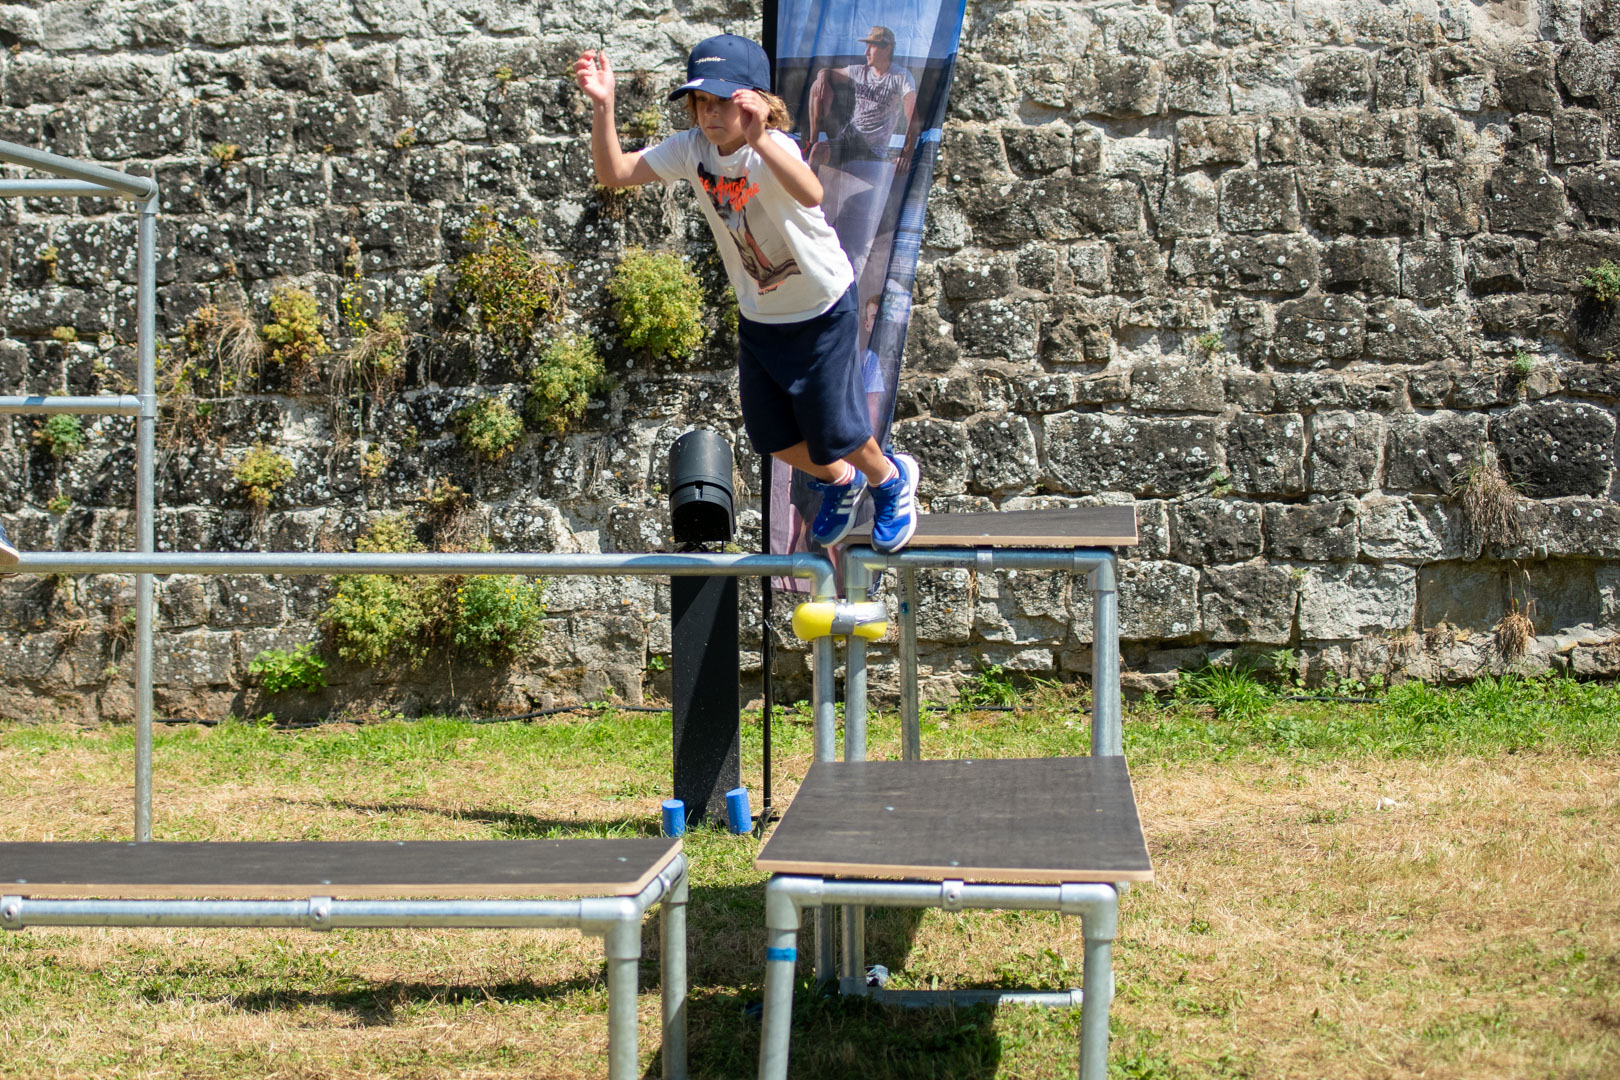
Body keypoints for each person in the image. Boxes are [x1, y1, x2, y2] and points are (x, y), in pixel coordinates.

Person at [574, 34, 920, 553]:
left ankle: (890, 480)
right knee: (772, 437)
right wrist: (604, 105)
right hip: (761, 315)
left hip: (821, 306)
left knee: (836, 431)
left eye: (722, 100)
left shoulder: (773, 148)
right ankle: (841, 481)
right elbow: (614, 172)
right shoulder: (692, 149)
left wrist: (760, 140)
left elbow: (812, 192)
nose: (709, 113)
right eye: (700, 101)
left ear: (755, 102)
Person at [804, 26, 918, 290]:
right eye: (866, 45)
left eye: (872, 46)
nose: (867, 51)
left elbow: (913, 117)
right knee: (817, 147)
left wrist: (906, 153)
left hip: (872, 148)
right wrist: (821, 78)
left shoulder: (900, 77)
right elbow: (827, 72)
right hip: (850, 138)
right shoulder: (860, 70)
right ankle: (808, 165)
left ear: (887, 48)